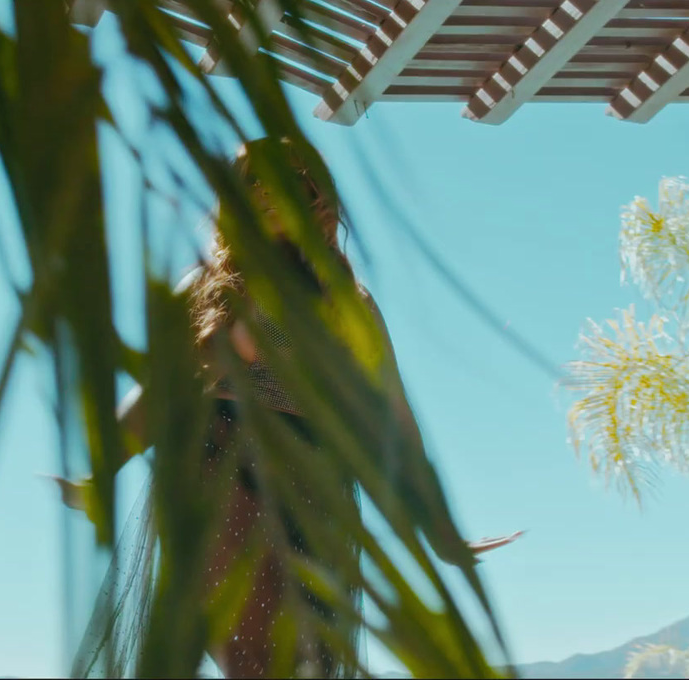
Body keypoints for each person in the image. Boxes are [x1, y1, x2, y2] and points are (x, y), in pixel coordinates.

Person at [57, 137, 519, 679]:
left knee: (311, 665)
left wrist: (439, 533)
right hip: (220, 470)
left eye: (294, 183)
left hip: (315, 486)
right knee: (253, 660)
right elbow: (159, 393)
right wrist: (100, 478)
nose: (274, 195)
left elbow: (393, 418)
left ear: (316, 198)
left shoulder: (349, 300)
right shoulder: (207, 287)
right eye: (256, 183)